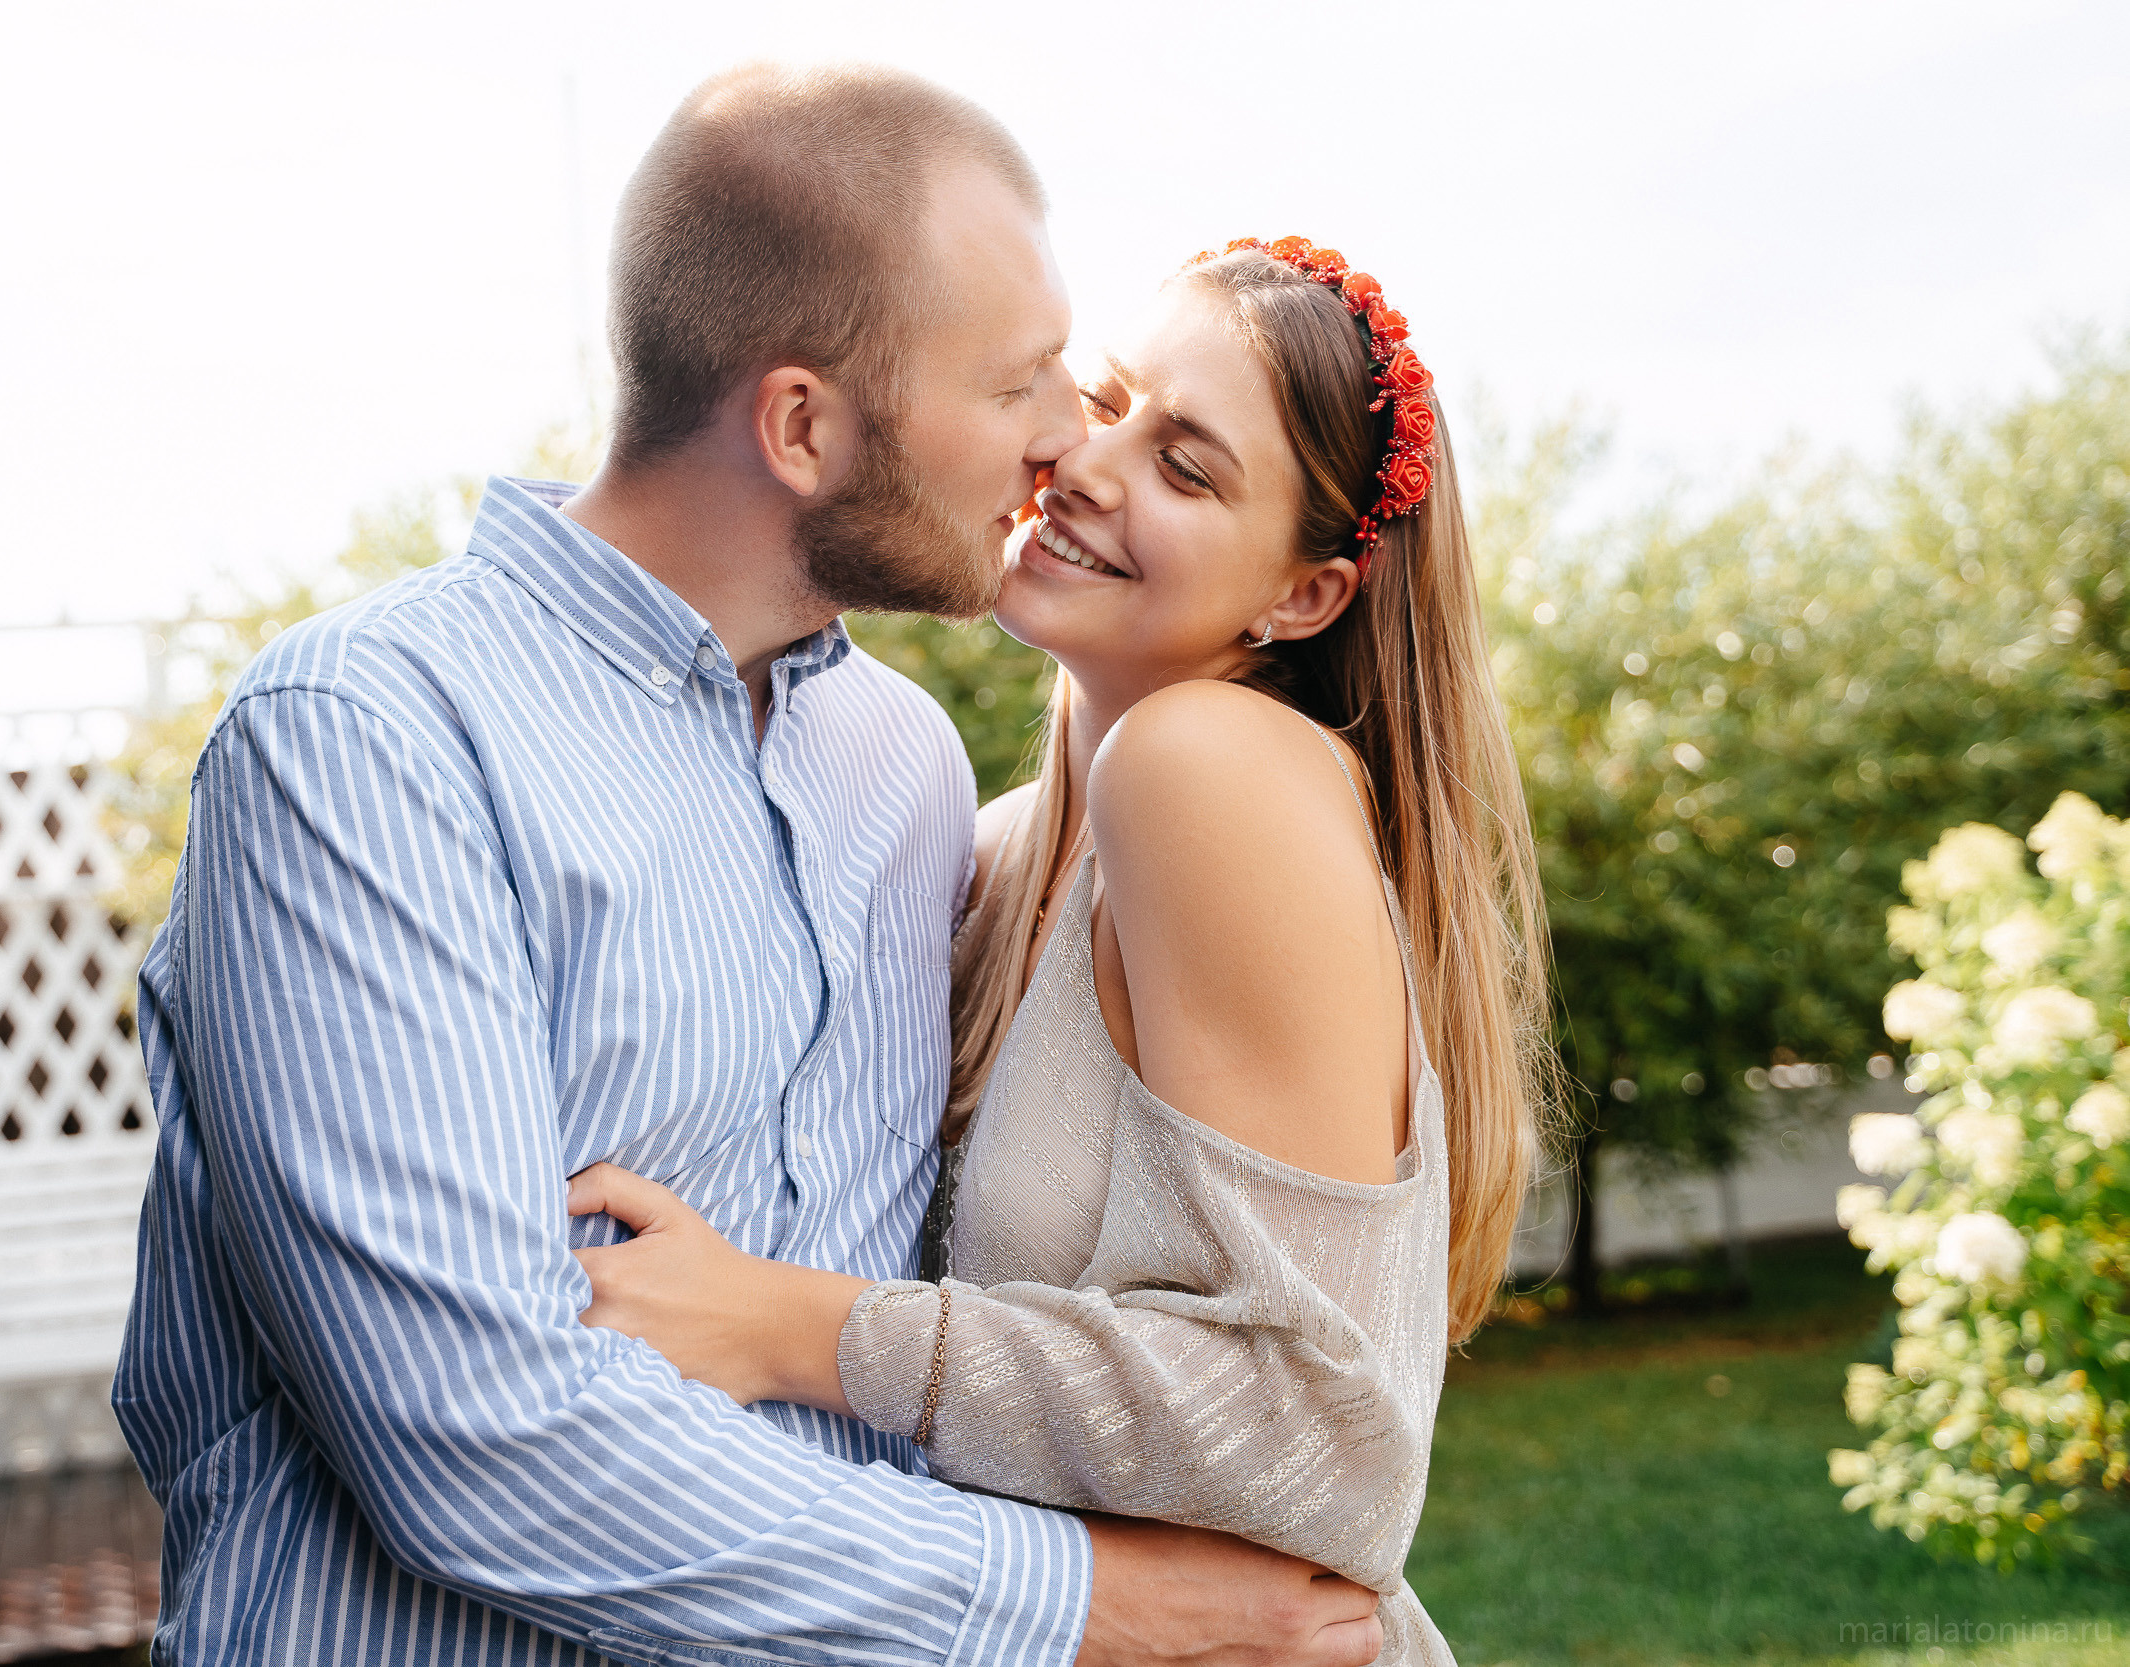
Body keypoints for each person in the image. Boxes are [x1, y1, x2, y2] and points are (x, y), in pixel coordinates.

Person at [114, 64, 1386, 1667]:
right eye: (1023, 383)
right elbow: (478, 1436)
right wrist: (1091, 1610)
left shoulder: (909, 770)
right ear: (802, 425)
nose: (1069, 437)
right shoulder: (369, 739)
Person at [568, 236, 1557, 1667]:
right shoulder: (1006, 841)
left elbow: (1314, 1428)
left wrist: (792, 1330)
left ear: (1305, 599)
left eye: (1188, 466)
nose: (1093, 465)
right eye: (1103, 402)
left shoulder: (1204, 764)